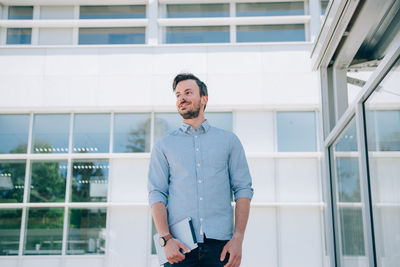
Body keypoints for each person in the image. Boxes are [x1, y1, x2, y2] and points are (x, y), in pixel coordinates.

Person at [148, 73, 253, 267]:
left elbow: (243, 190)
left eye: (188, 92)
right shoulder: (164, 145)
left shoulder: (229, 141)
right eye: (178, 95)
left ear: (204, 99)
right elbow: (157, 193)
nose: (182, 98)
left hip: (221, 248)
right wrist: (165, 239)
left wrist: (238, 239)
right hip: (178, 246)